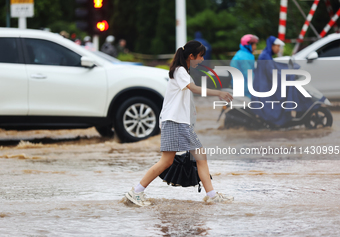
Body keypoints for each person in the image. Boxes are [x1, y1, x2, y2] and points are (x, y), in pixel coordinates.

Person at [125, 40, 234, 206]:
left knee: (192, 158)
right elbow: (194, 89)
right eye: (201, 56)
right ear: (191, 56)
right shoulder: (180, 71)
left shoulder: (181, 71)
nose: (203, 60)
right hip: (175, 122)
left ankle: (211, 195)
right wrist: (218, 92)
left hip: (177, 122)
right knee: (171, 161)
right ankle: (136, 192)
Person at [252, 36, 317, 127]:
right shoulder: (265, 57)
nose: (279, 49)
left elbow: (275, 70)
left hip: (267, 84)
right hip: (265, 87)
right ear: (272, 46)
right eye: (277, 46)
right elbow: (272, 74)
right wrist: (288, 76)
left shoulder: (267, 55)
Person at [230, 34, 259, 98]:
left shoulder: (246, 54)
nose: (255, 47)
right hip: (243, 88)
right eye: (254, 45)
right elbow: (248, 74)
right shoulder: (243, 57)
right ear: (247, 45)